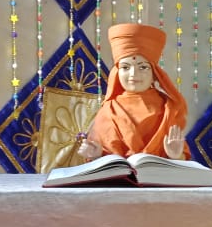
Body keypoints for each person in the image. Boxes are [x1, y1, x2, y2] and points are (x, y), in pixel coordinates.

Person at [77, 23, 189, 161]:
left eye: (143, 67)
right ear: (117, 72)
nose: (133, 74)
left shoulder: (169, 109)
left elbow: (182, 160)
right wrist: (97, 155)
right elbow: (103, 163)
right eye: (125, 67)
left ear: (155, 73)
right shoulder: (108, 110)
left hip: (158, 175)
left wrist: (176, 156)